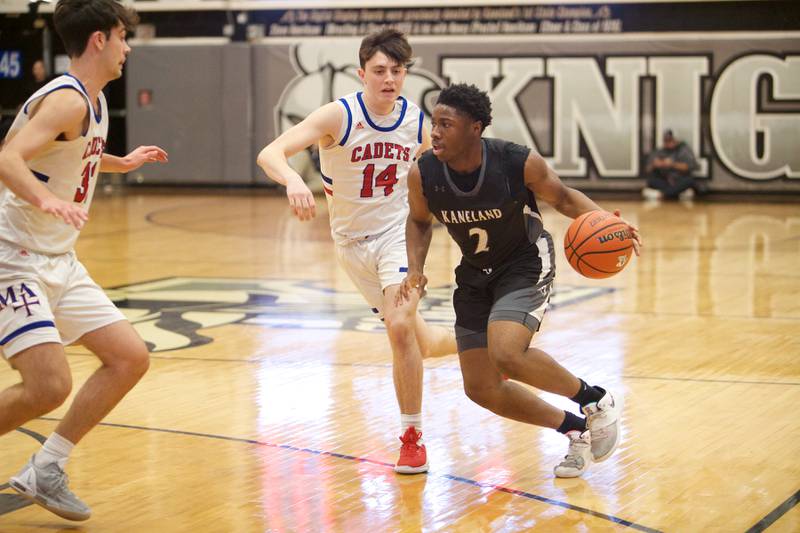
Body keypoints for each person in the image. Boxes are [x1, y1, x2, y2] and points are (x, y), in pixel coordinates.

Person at [398, 84, 641, 478]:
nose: (435, 133)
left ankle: (595, 401)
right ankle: (575, 429)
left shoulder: (515, 161)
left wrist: (610, 224)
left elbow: (563, 198)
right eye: (434, 124)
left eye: (446, 124)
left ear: (475, 128)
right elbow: (419, 221)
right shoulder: (423, 173)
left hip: (524, 264)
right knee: (481, 388)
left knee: (507, 352)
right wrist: (415, 267)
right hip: (474, 275)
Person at [257, 28, 456, 475]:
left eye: (397, 71)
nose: (389, 79)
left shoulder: (416, 122)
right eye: (380, 71)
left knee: (400, 327)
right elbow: (270, 153)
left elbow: (441, 175)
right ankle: (482, 345)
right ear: (361, 73)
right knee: (422, 342)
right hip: (350, 246)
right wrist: (292, 179)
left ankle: (411, 437)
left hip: (398, 237)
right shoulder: (339, 115)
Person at [0, 0, 167, 521]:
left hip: (58, 258)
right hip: (14, 257)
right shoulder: (67, 99)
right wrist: (45, 201)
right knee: (48, 386)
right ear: (99, 39)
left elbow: (70, 155)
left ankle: (46, 468)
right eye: (122, 36)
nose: (127, 48)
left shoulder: (90, 99)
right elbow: (7, 158)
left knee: (129, 357)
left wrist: (121, 162)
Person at [642, 129, 699, 201]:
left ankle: (663, 194)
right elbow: (647, 169)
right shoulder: (658, 151)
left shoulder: (684, 150)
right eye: (666, 141)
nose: (668, 143)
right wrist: (654, 165)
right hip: (665, 180)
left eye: (670, 140)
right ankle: (675, 193)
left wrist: (672, 164)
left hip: (679, 179)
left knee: (689, 181)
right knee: (651, 180)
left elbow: (689, 167)